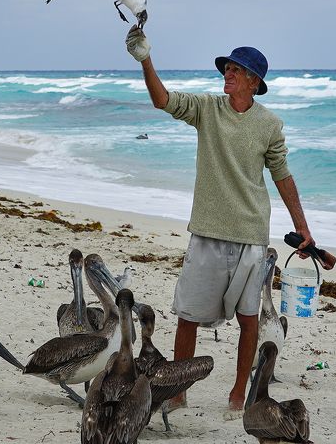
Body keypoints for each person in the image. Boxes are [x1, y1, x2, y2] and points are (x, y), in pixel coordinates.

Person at [125, 25, 316, 413]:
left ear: (253, 81)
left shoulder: (269, 125)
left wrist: (303, 226)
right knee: (188, 316)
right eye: (226, 67)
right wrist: (145, 58)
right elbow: (162, 100)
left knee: (249, 320)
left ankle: (237, 393)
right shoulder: (206, 109)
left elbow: (282, 174)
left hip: (250, 236)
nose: (227, 73)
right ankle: (178, 392)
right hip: (208, 232)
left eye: (236, 69)